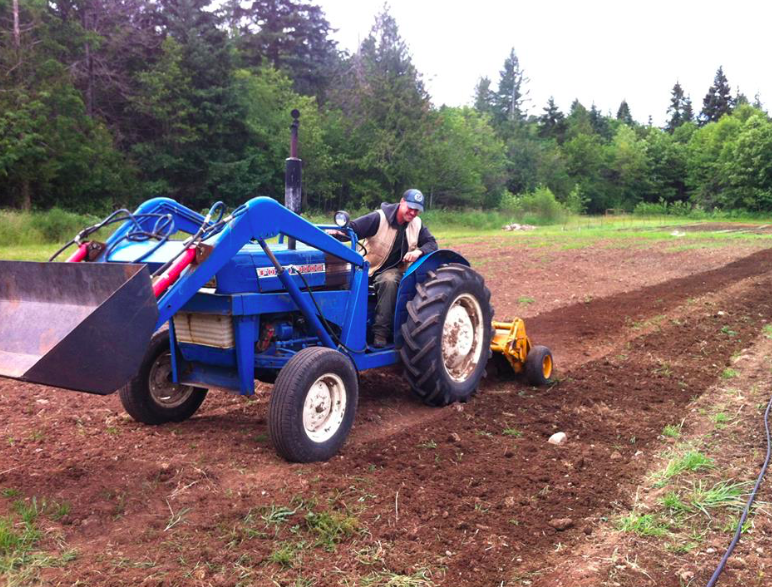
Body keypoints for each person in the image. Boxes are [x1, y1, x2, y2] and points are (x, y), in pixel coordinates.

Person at [348, 189, 438, 348]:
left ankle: (380, 333)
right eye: (410, 207)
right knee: (340, 278)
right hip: (368, 267)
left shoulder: (416, 224)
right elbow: (351, 229)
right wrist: (334, 232)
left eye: (416, 210)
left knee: (389, 280)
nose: (412, 212)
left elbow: (432, 244)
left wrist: (419, 251)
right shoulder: (379, 218)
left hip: (392, 271)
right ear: (402, 202)